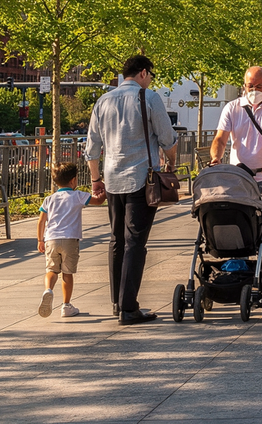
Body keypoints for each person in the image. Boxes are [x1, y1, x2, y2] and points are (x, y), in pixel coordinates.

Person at [86, 55, 177, 326]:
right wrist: (171, 161)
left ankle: (117, 302)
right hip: (142, 180)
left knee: (116, 241)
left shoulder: (103, 101)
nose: (150, 80)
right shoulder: (149, 98)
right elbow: (167, 138)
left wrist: (95, 180)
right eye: (150, 76)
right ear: (143, 73)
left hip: (112, 180)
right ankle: (129, 308)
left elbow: (91, 147)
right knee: (135, 242)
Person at [36, 162, 104, 319]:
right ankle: (66, 306)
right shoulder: (78, 195)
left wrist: (40, 240)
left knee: (51, 270)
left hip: (51, 239)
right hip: (70, 240)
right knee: (67, 273)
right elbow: (99, 201)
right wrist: (105, 191)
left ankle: (48, 290)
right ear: (73, 180)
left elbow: (41, 221)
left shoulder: (49, 199)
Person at [211, 66, 262, 177]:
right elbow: (220, 139)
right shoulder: (232, 108)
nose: (254, 90)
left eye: (259, 86)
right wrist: (216, 157)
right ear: (244, 86)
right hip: (239, 176)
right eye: (250, 86)